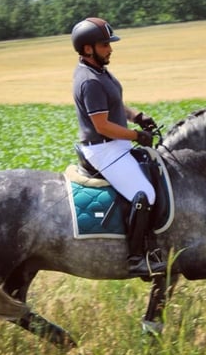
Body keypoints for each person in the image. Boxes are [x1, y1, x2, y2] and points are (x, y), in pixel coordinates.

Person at [71, 17, 167, 277]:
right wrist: (136, 135)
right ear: (88, 49)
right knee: (144, 193)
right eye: (104, 45)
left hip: (116, 143)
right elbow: (102, 125)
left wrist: (137, 116)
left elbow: (114, 104)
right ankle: (136, 258)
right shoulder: (89, 80)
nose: (110, 49)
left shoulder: (100, 71)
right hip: (104, 149)